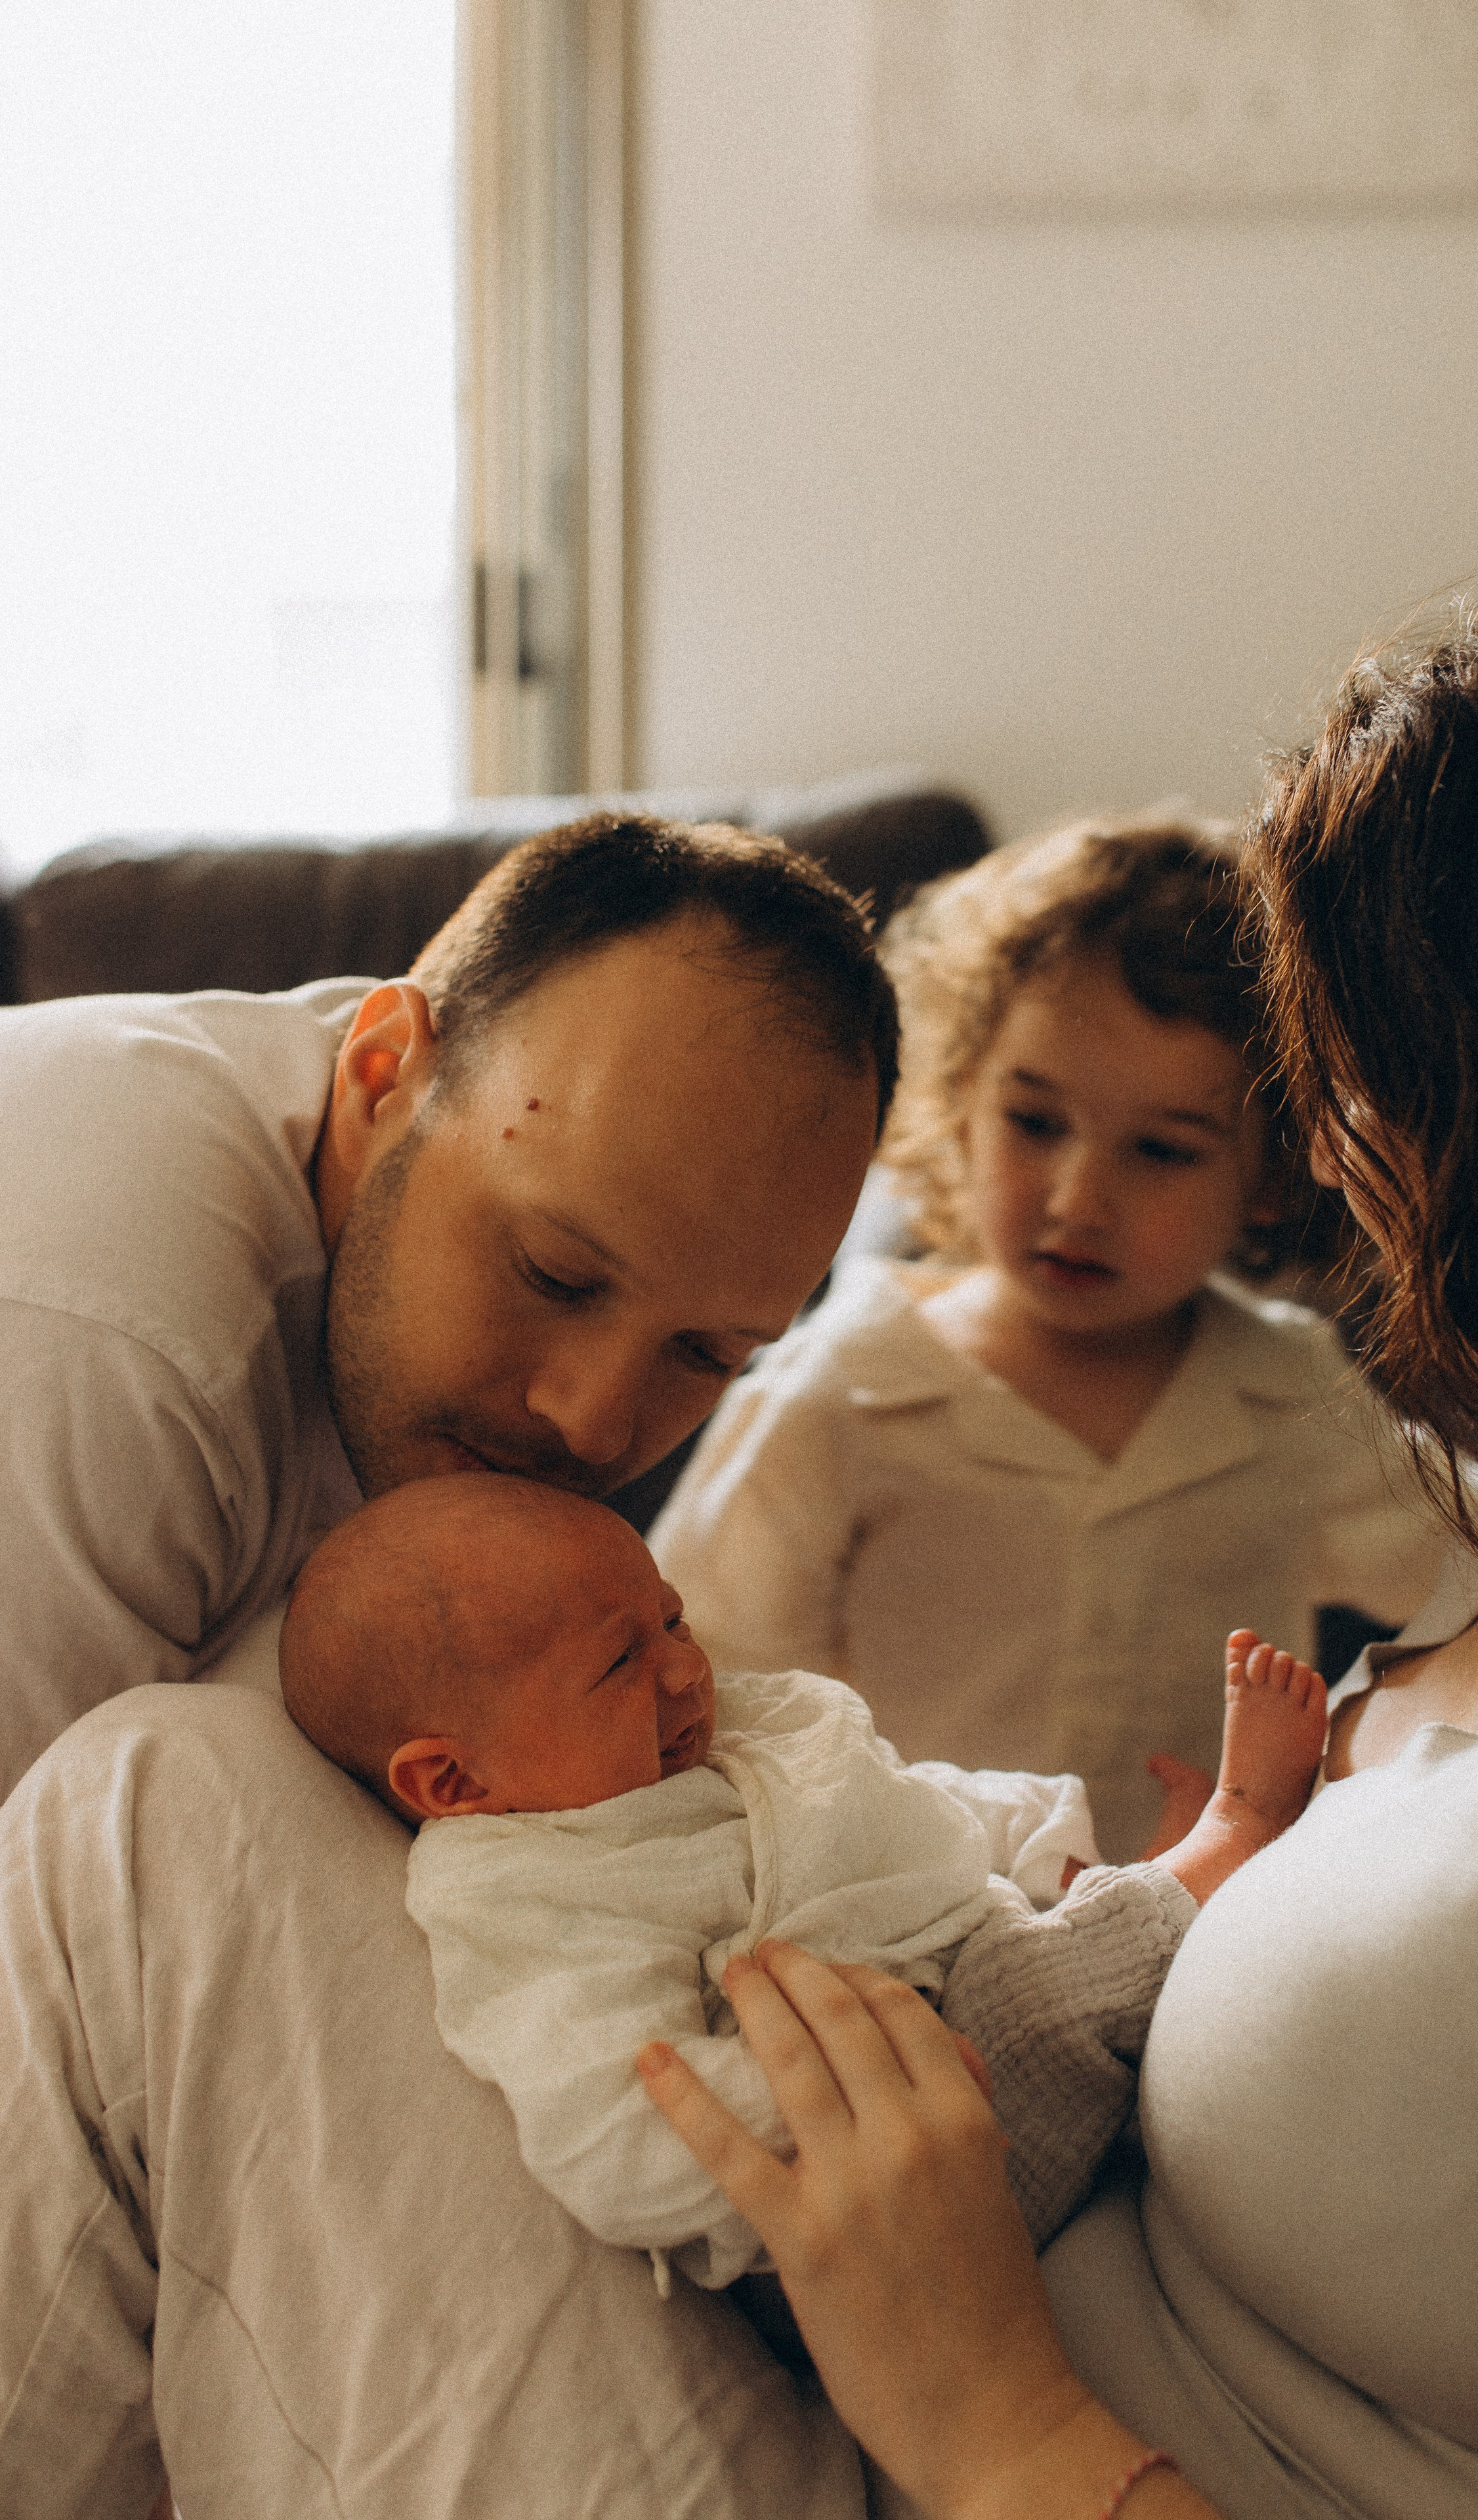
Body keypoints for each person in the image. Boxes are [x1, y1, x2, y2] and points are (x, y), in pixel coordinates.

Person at [639, 560, 1478, 2520]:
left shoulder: (1335, 1438)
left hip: (945, 2416)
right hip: (870, 2166)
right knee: (190, 1798)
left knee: (163, 1829)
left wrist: (990, 2415)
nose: (1353, 1134)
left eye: (1367, 1064)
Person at [0, 815, 906, 2517]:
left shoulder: (462, 1256)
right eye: (555, 1273)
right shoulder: (109, 1332)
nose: (594, 1422)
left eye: (708, 1354)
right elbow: (40, 2037)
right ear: (385, 1062)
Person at [278, 1471, 1325, 2290]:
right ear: (456, 1778)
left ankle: (1134, 1904)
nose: (687, 1671)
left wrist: (1049, 1847)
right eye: (618, 1667)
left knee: (1062, 1962)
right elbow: (614, 2130)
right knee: (1023, 1987)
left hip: (976, 1970)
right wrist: (863, 2081)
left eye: (673, 1621)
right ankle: (1225, 1841)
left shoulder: (721, 1733)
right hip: (873, 2218)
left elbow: (903, 1798)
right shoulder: (530, 1894)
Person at [650, 814, 1442, 1857]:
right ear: (961, 1102)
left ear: (1270, 1172)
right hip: (915, 1914)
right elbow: (706, 1674)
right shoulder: (844, 1387)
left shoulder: (1289, 1395)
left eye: (1162, 1150)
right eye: (1034, 1123)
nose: (1079, 1200)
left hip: (1196, 1933)